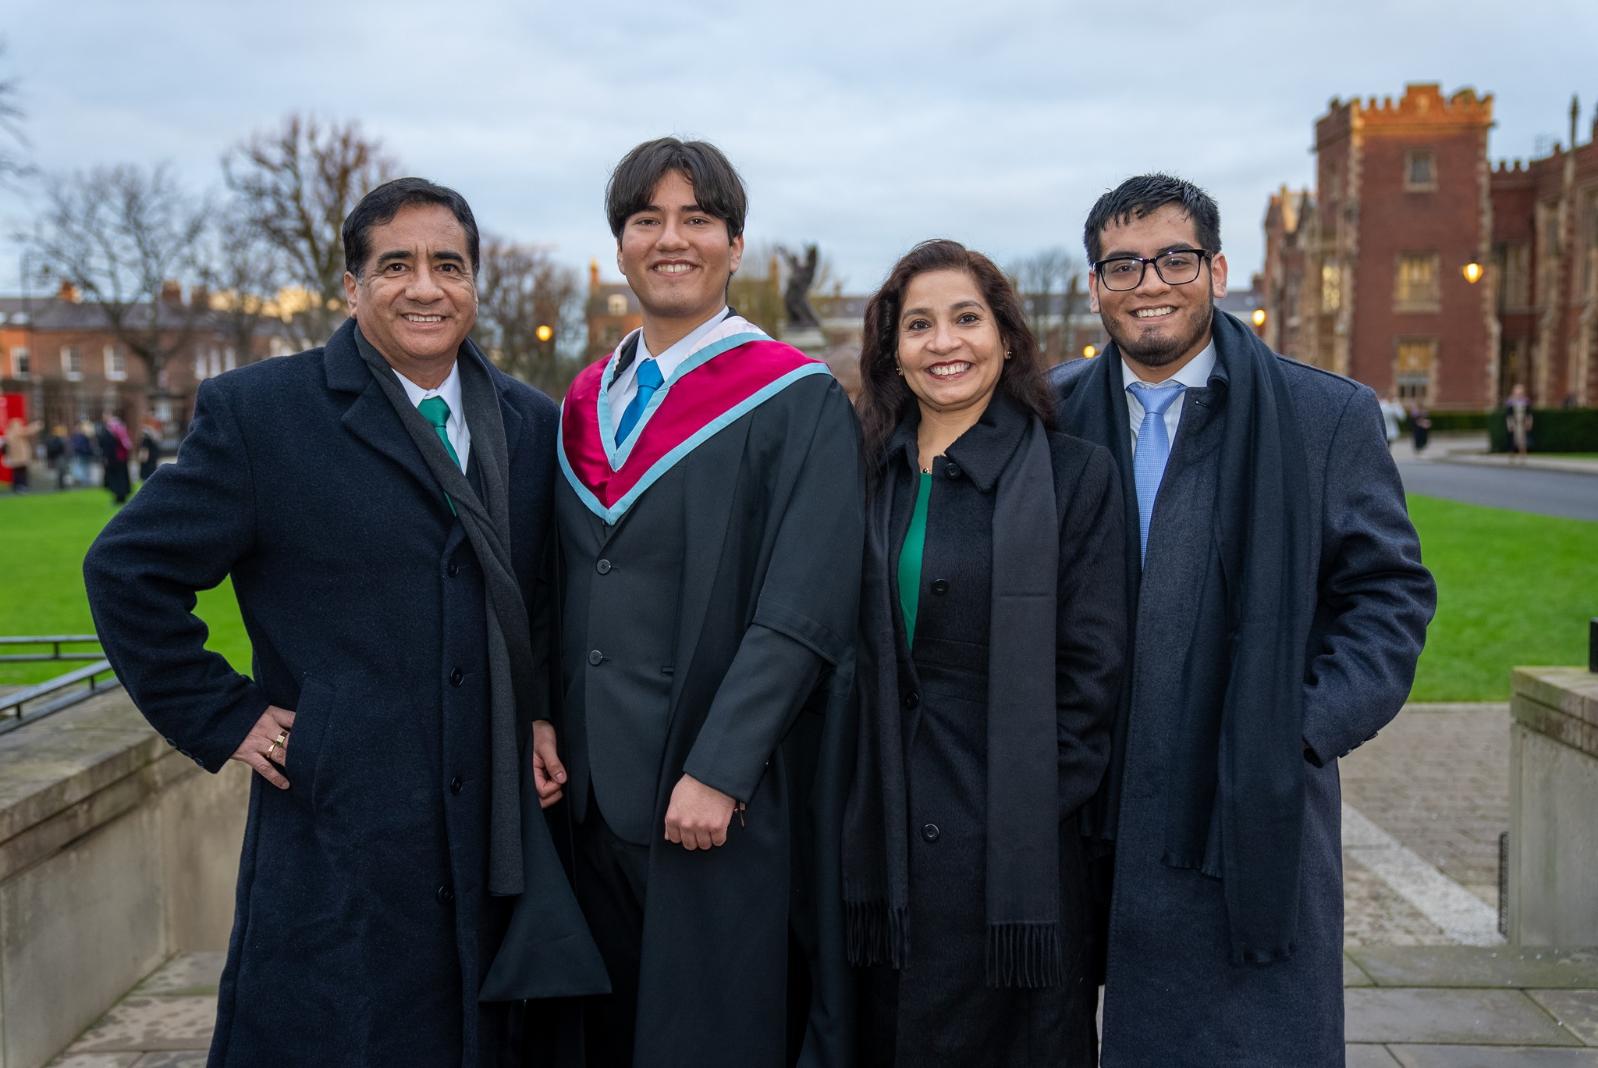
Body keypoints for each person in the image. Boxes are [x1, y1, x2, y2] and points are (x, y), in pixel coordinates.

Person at [84, 177, 603, 1067]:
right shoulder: (263, 414)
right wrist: (226, 715)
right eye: (395, 264)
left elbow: (545, 597)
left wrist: (540, 709)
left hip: (493, 827)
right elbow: (127, 569)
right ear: (353, 287)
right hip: (341, 826)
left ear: (477, 285)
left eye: (449, 264)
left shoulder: (530, 422)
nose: (426, 286)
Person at [1051, 174, 1435, 1066]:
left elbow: (1389, 597)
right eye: (1122, 265)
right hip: (1083, 800)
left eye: (1174, 258)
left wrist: (1296, 730)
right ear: (1097, 285)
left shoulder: (1321, 415)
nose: (1150, 283)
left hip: (1245, 804)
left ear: (1218, 269)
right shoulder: (1052, 409)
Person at [540, 137, 863, 1066]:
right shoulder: (584, 402)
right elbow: (551, 582)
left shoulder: (794, 399)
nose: (670, 238)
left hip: (714, 795)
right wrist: (537, 717)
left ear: (735, 244)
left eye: (696, 219)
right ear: (621, 245)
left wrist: (720, 770)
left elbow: (805, 604)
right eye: (647, 220)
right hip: (589, 797)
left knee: (709, 1034)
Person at [844, 240, 1127, 1067]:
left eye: (967, 319)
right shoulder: (859, 475)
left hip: (1012, 858)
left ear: (1005, 336)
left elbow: (1093, 679)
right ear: (892, 349)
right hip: (877, 852)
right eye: (919, 325)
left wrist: (1020, 806)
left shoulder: (1076, 478)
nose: (945, 344)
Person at [95, 412, 132, 504]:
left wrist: (106, 457)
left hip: (115, 459)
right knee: (121, 477)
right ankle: (121, 496)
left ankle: (119, 496)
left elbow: (107, 446)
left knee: (116, 478)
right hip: (121, 458)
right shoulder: (119, 429)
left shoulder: (111, 430)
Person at [3, 415, 41, 492]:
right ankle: (21, 486)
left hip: (15, 457)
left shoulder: (9, 433)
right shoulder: (16, 432)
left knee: (17, 472)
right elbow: (28, 431)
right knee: (21, 473)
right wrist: (36, 425)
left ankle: (17, 486)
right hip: (20, 457)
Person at [1506, 383, 1533, 463]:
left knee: (1523, 441)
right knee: (1512, 440)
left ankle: (1523, 457)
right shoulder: (1511, 401)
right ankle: (1511, 457)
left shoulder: (1525, 401)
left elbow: (1529, 413)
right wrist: (1510, 424)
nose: (1519, 394)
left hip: (1522, 423)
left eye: (1520, 392)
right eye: (1517, 392)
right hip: (1514, 423)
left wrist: (1529, 422)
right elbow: (1509, 414)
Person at [70, 420, 97, 487]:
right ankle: (85, 481)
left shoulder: (80, 436)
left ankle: (84, 481)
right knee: (84, 468)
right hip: (83, 454)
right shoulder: (80, 436)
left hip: (83, 454)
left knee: (84, 468)